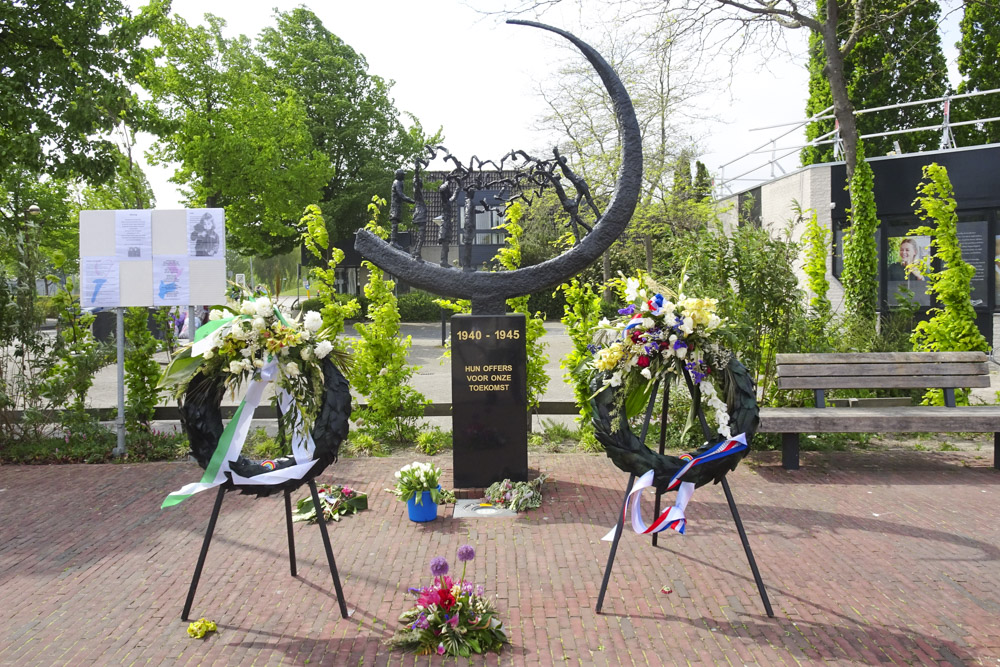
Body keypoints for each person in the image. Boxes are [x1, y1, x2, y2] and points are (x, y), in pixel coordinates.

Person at [389, 169, 414, 249]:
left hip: (397, 205)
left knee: (395, 223)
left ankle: (394, 241)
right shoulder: (397, 183)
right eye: (403, 174)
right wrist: (411, 200)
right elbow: (401, 195)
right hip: (395, 206)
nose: (404, 176)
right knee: (394, 223)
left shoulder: (398, 182)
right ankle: (393, 241)